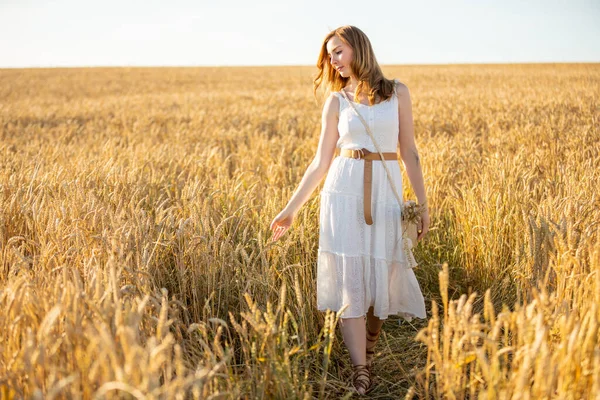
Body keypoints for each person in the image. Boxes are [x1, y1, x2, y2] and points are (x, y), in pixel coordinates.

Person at [269, 25, 429, 395]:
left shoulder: (397, 93)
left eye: (338, 51)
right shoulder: (337, 101)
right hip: (342, 194)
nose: (333, 60)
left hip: (386, 196)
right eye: (329, 54)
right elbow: (320, 162)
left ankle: (369, 349)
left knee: (383, 275)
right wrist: (291, 209)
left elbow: (410, 152)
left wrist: (422, 206)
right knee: (350, 281)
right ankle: (361, 369)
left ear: (358, 48)